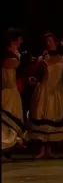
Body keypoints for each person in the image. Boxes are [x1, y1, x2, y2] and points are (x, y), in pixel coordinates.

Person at [26, 32, 63, 159]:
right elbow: (35, 75)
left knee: (54, 117)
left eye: (51, 41)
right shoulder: (42, 59)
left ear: (56, 42)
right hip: (44, 90)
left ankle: (49, 149)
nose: (49, 44)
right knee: (42, 116)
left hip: (58, 90)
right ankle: (41, 149)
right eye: (47, 42)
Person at [1, 29, 26, 162]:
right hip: (7, 92)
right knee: (6, 122)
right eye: (20, 39)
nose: (21, 41)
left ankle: (7, 149)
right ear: (13, 41)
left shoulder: (14, 55)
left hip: (13, 91)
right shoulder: (8, 57)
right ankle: (3, 150)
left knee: (11, 122)